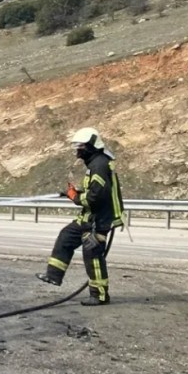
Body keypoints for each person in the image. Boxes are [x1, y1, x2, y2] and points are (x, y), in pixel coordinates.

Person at [36, 127, 126, 306]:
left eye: (80, 147)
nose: (77, 151)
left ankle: (100, 295)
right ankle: (53, 276)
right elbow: (95, 191)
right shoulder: (95, 163)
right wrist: (76, 192)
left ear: (90, 146)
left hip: (98, 221)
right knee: (66, 237)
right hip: (89, 218)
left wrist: (75, 197)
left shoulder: (99, 165)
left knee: (92, 254)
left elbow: (96, 197)